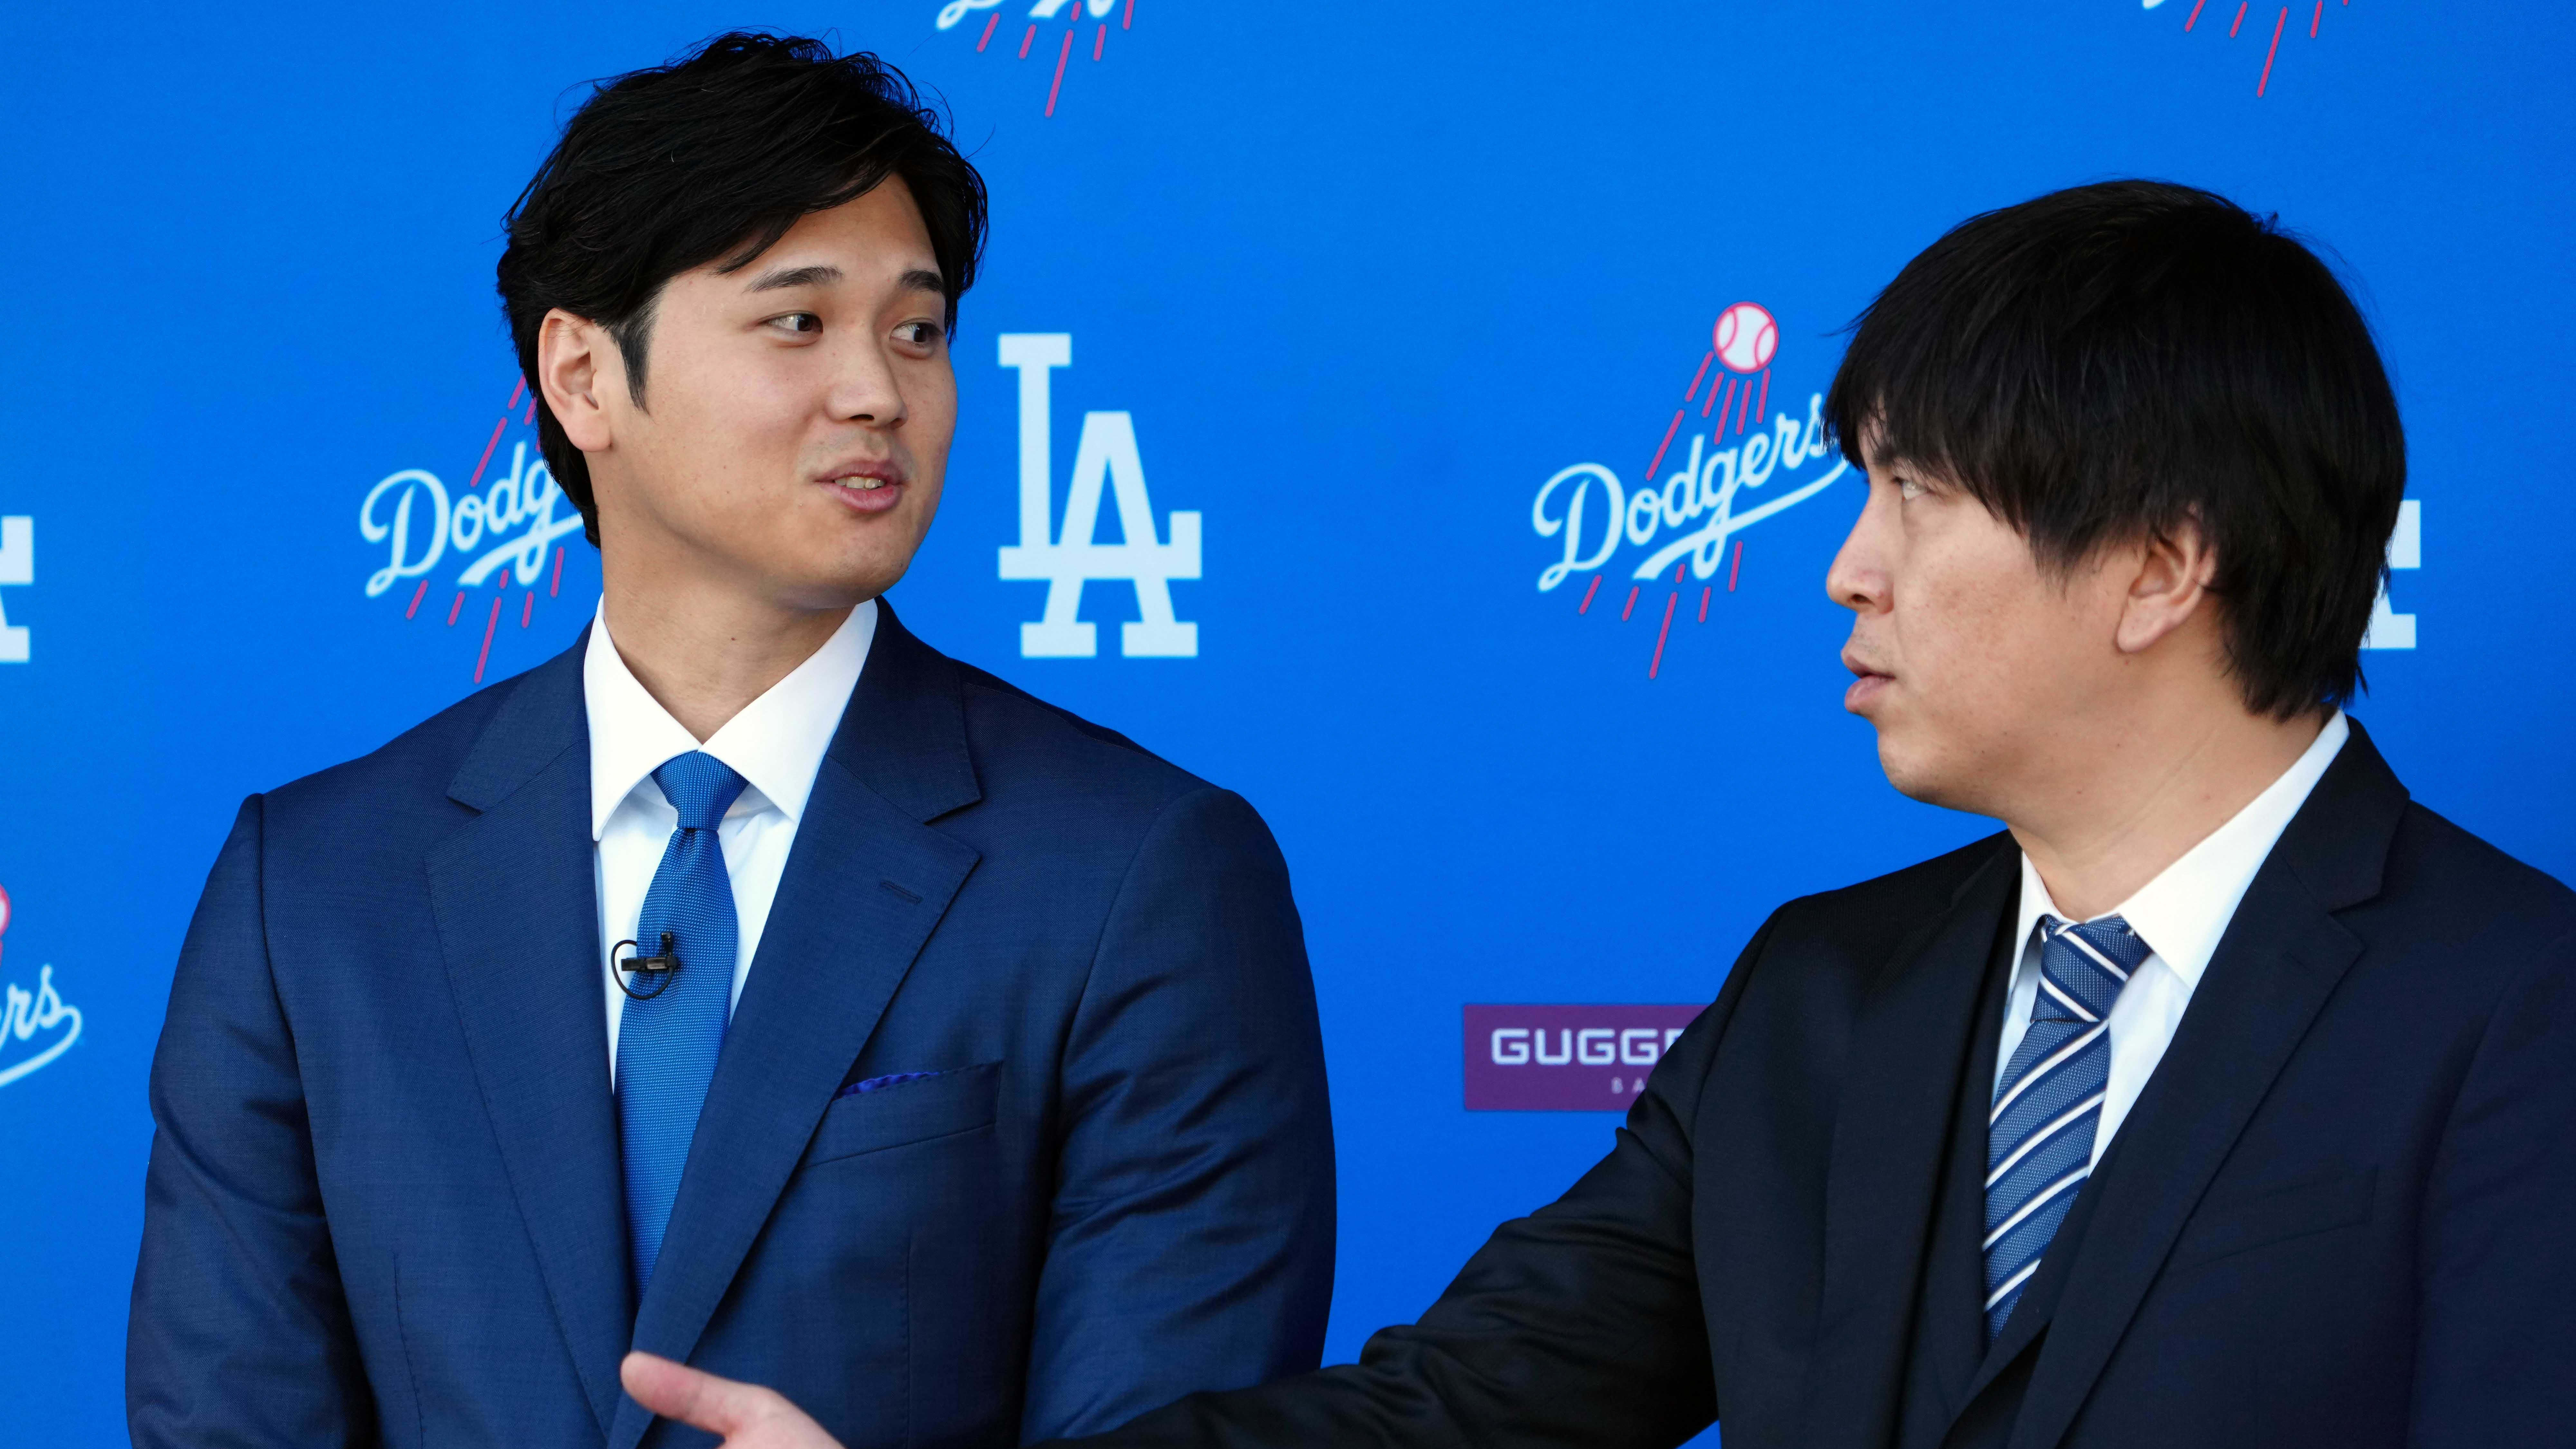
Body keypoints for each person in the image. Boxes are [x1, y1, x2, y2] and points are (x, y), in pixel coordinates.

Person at [624, 180, 2576, 1449]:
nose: (1845, 569)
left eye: (1916, 497)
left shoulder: (2518, 1013)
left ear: (2159, 565)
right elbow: (1463, 1413)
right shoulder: (1828, 992)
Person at [126, 33, 1335, 1449]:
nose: (879, 392)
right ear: (583, 378)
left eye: (919, 331)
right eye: (797, 322)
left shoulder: (1140, 876)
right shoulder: (316, 889)